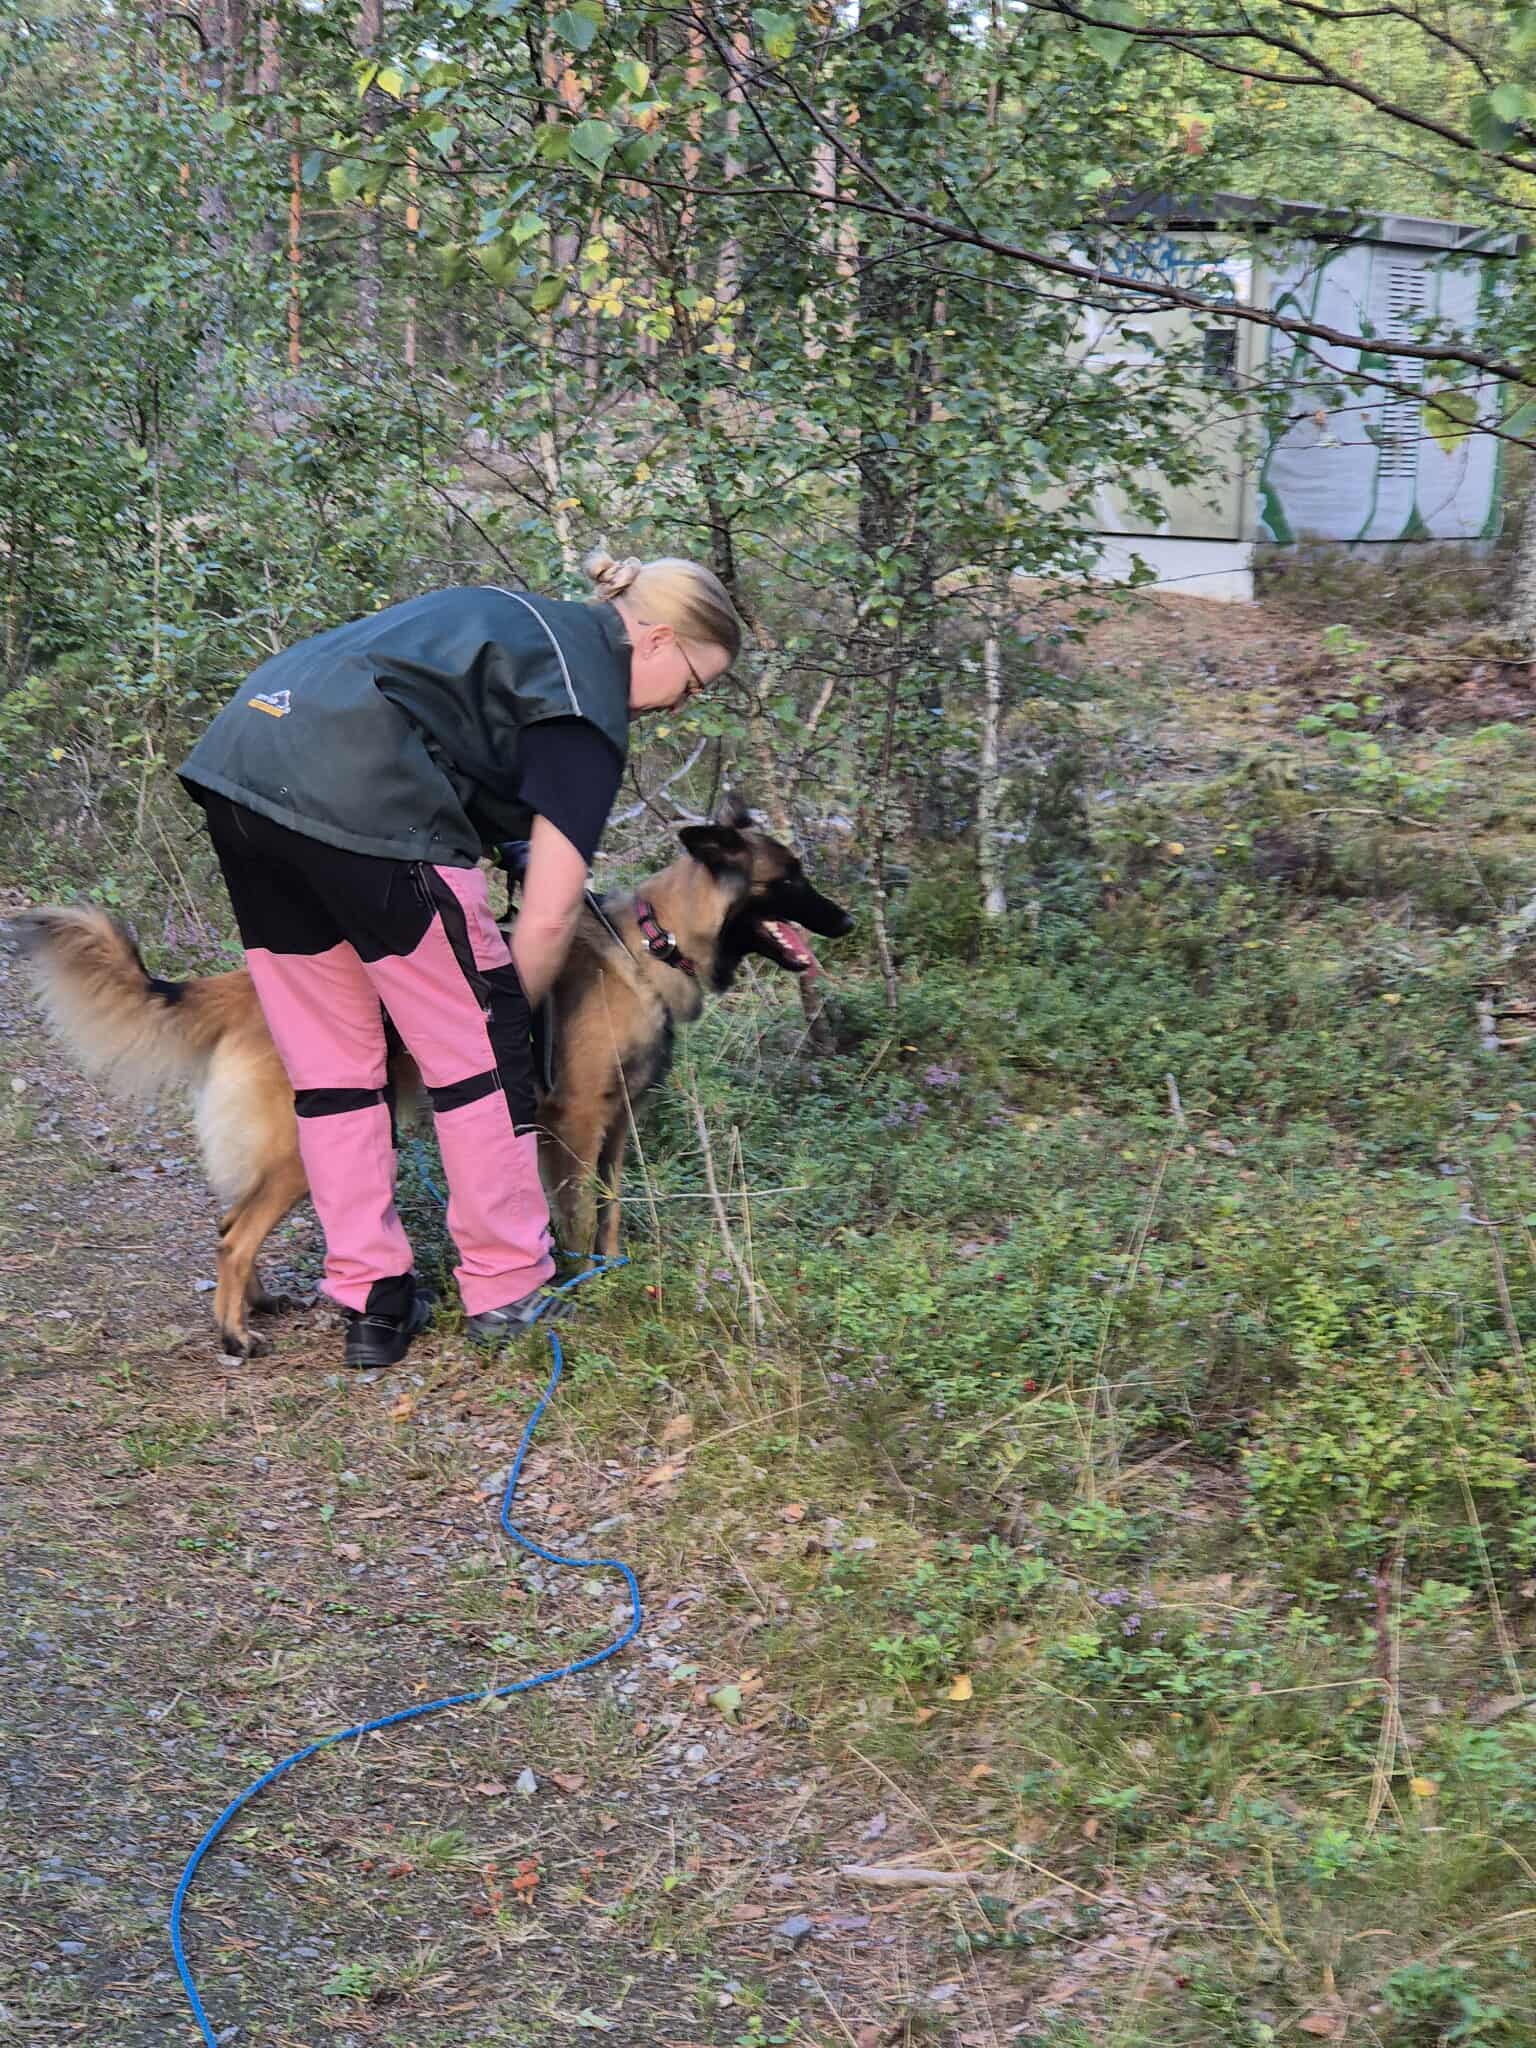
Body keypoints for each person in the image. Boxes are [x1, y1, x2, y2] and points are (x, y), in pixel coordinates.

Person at [178, 550, 742, 1369]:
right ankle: (508, 1287)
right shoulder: (588, 706)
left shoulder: (512, 618)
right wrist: (505, 1014)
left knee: (334, 1065)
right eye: (693, 683)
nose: (682, 706)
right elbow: (549, 920)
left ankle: (373, 1305)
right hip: (366, 806)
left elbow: (433, 727)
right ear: (655, 641)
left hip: (240, 774)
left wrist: (506, 839)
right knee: (481, 1053)